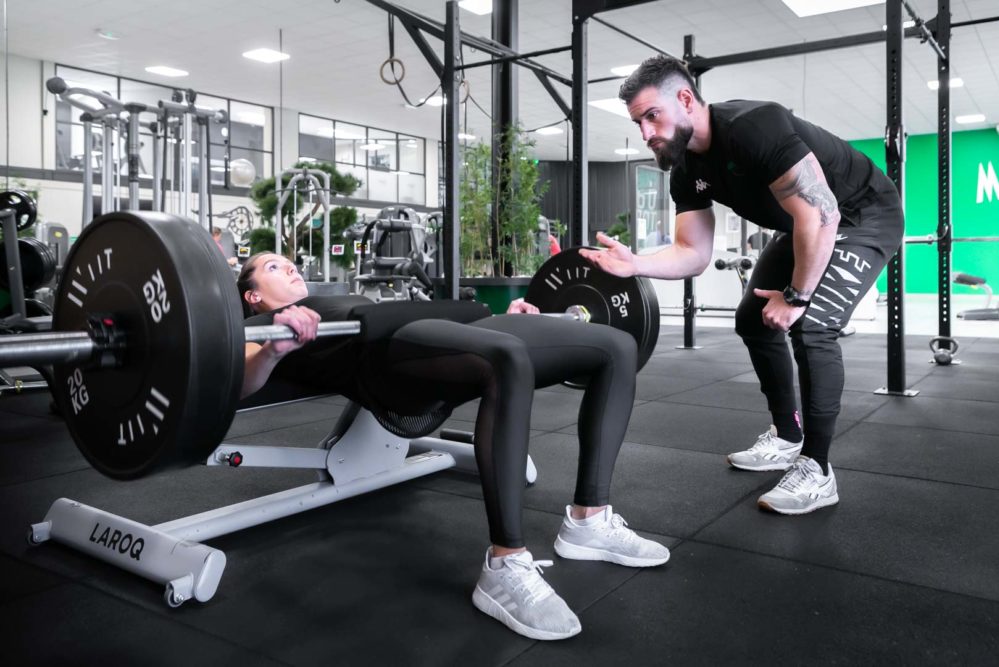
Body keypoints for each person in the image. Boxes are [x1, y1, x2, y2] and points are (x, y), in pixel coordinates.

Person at [237, 252, 670, 640]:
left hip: (440, 328)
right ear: (253, 296)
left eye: (289, 261)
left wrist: (509, 315)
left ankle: (588, 521)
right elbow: (241, 380)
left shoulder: (345, 299)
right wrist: (273, 351)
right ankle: (504, 564)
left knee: (617, 346)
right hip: (388, 357)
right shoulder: (258, 326)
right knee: (507, 357)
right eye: (272, 267)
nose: (290, 266)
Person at [580, 55, 904, 515]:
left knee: (810, 326)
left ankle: (818, 469)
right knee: (753, 320)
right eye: (639, 122)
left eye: (653, 115)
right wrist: (637, 265)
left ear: (686, 99)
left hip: (860, 215)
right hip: (808, 224)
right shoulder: (687, 169)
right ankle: (788, 437)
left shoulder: (755, 126)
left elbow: (822, 213)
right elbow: (693, 253)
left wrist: (797, 296)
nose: (647, 132)